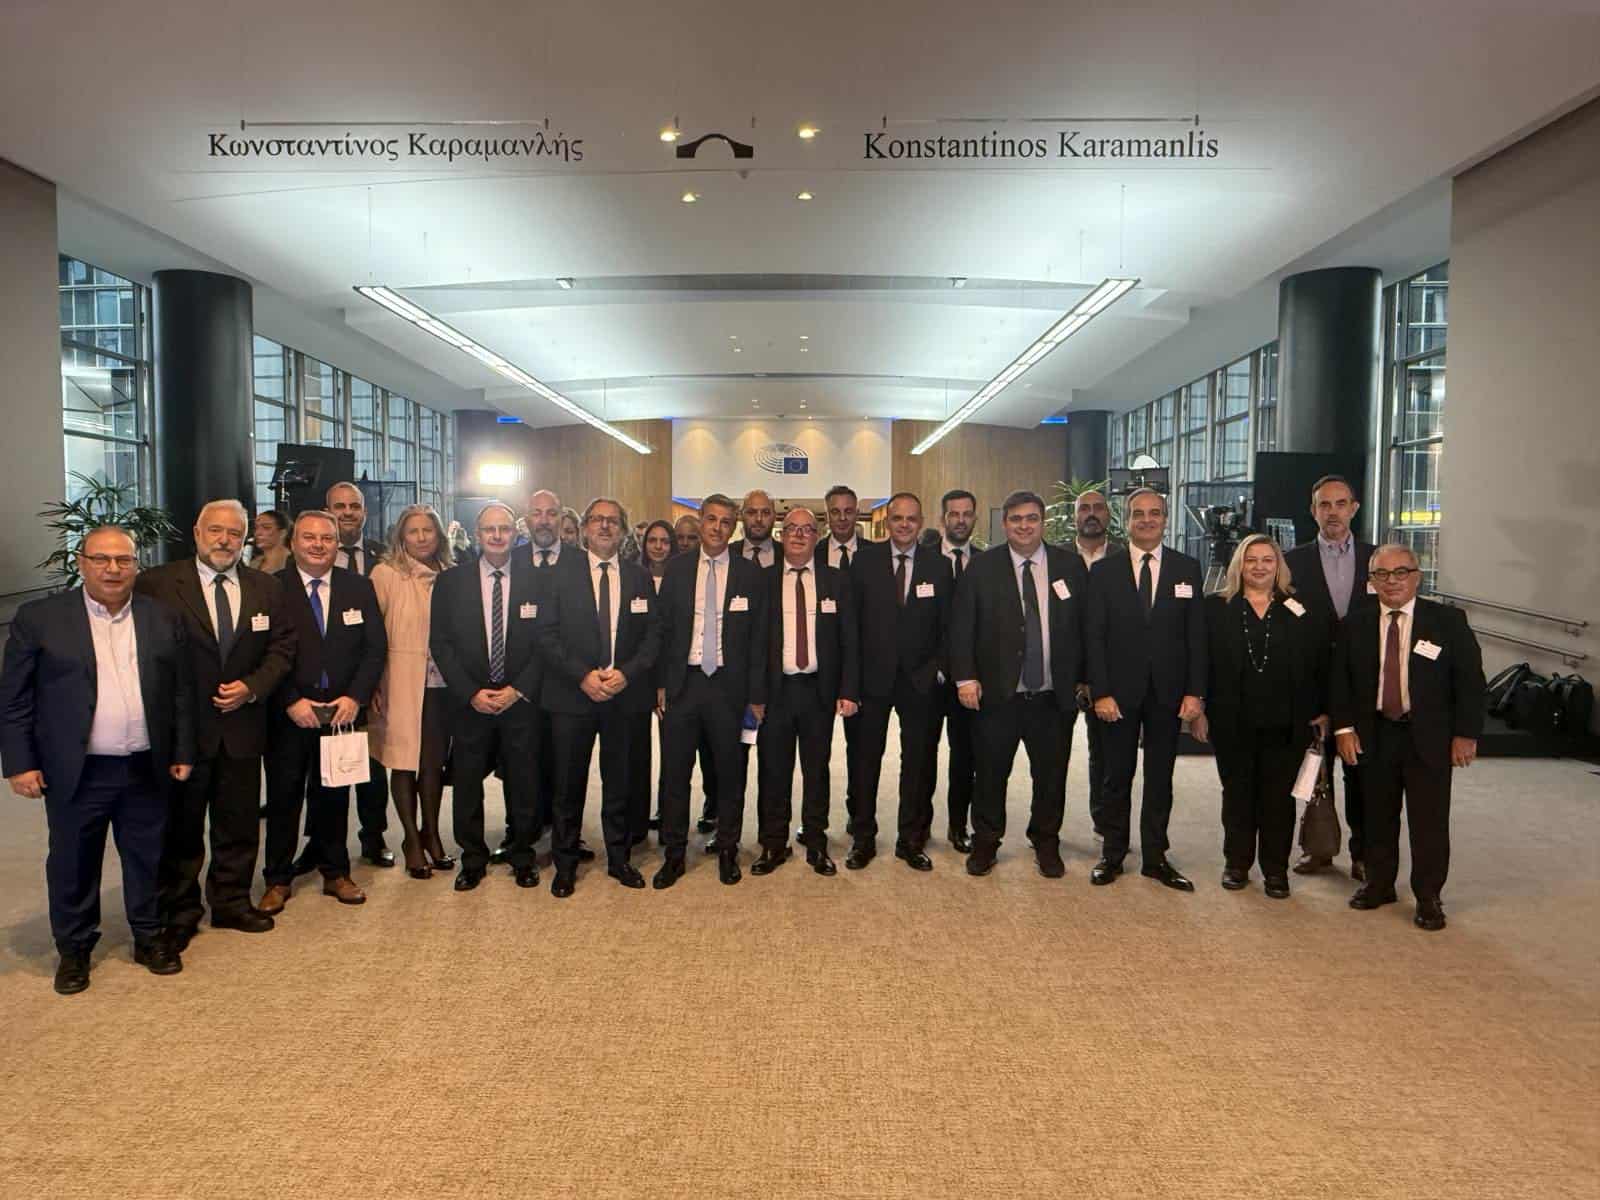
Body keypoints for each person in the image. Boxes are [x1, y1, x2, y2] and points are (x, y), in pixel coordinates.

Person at [1, 526, 196, 994]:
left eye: (123, 560)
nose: (113, 569)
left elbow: (181, 692)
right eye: (102, 559)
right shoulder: (40, 618)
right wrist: (19, 762)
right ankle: (74, 949)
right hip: (77, 769)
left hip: (145, 765)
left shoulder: (161, 617)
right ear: (82, 563)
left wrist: (183, 750)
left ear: (136, 565)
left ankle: (149, 937)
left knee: (148, 858)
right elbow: (14, 698)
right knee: (73, 861)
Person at [134, 499, 296, 949]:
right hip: (184, 731)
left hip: (243, 725)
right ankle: (179, 910)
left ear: (246, 538)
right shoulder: (157, 584)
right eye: (215, 531)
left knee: (239, 823)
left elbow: (282, 647)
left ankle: (231, 901)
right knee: (181, 827)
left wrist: (253, 686)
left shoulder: (266, 587)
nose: (225, 540)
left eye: (234, 533)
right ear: (197, 533)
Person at [1331, 544, 1483, 931]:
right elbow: (1340, 682)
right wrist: (1344, 729)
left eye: (1401, 572)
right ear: (1371, 581)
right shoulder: (1355, 624)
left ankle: (1428, 895)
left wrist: (1465, 734)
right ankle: (1379, 884)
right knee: (1376, 815)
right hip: (1375, 734)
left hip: (1428, 736)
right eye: (1382, 574)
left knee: (1428, 820)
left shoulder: (1447, 621)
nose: (1392, 581)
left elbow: (1470, 682)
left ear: (1417, 577)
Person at [950, 490, 1086, 877]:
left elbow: (1086, 627)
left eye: (1031, 519)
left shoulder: (1070, 565)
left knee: (1051, 777)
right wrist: (965, 677)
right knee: (991, 775)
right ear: (1004, 524)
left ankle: (1046, 842)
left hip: (1052, 697)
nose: (1024, 526)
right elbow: (962, 626)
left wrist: (1086, 679)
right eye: (1016, 519)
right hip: (998, 695)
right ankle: (986, 842)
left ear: (1043, 522)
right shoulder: (982, 567)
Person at [260, 511, 387, 912]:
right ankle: (277, 879)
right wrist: (290, 700)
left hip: (341, 713)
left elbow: (375, 648)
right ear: (293, 542)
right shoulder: (272, 587)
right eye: (309, 537)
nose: (318, 545)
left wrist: (355, 698)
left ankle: (336, 872)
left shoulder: (358, 587)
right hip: (291, 713)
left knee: (334, 795)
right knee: (284, 798)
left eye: (326, 538)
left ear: (337, 543)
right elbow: (264, 652)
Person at [1191, 535, 1329, 899]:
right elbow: (1200, 661)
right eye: (1251, 559)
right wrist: (1198, 709)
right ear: (1239, 564)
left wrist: (1321, 709)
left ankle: (1276, 871)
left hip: (1287, 721)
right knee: (1237, 795)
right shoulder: (1215, 607)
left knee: (1278, 799)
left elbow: (1319, 662)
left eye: (1268, 559)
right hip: (1231, 719)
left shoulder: (1300, 608)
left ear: (1279, 565)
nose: (1259, 566)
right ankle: (1236, 864)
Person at [536, 498, 661, 895]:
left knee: (620, 781)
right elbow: (545, 634)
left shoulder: (639, 577)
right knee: (567, 784)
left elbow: (654, 636)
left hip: (624, 696)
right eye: (597, 520)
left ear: (623, 531)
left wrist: (627, 673)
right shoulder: (559, 574)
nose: (605, 527)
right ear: (585, 528)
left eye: (613, 521)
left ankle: (619, 858)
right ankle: (565, 863)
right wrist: (582, 676)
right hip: (572, 695)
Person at [1086, 488, 1206, 891]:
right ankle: (1112, 854)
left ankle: (1155, 857)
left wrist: (1195, 692)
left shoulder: (1187, 568)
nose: (1147, 520)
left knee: (1160, 778)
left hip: (1168, 694)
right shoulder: (1105, 571)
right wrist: (1101, 691)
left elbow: (1196, 636)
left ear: (1166, 520)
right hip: (1118, 694)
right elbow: (1094, 636)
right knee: (1115, 776)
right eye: (1138, 513)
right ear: (1127, 521)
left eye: (1155, 513)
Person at [654, 493, 769, 888]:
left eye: (726, 522)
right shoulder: (677, 569)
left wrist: (756, 696)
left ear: (734, 527)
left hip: (728, 688)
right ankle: (674, 854)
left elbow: (759, 641)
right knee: (675, 774)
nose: (718, 528)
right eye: (712, 520)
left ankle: (727, 849)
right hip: (683, 685)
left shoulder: (750, 574)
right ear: (700, 521)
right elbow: (662, 630)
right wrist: (660, 683)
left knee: (730, 772)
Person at [429, 503, 545, 892]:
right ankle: (473, 859)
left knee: (523, 781)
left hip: (519, 701)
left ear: (516, 534)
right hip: (470, 702)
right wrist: (470, 693)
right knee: (466, 783)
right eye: (489, 529)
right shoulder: (451, 582)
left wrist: (519, 689)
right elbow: (441, 643)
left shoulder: (535, 580)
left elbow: (546, 642)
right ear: (477, 535)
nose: (497, 536)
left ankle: (522, 855)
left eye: (504, 529)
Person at [751, 508, 859, 877]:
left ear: (817, 536)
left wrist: (848, 689)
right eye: (792, 529)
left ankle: (816, 842)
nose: (799, 535)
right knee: (773, 770)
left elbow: (849, 640)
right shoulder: (763, 580)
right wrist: (754, 695)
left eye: (807, 529)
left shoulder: (835, 580)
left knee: (817, 771)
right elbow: (753, 643)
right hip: (775, 693)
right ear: (781, 536)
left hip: (818, 692)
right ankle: (773, 843)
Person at [849, 491, 951, 871]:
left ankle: (910, 840)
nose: (904, 525)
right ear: (886, 522)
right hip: (872, 679)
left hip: (920, 681)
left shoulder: (939, 566)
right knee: (865, 761)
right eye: (897, 518)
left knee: (918, 763)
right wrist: (851, 680)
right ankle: (863, 838)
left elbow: (948, 624)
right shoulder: (864, 561)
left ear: (920, 523)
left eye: (911, 518)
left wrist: (938, 667)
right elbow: (851, 624)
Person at [1284, 474, 1377, 880]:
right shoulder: (1293, 561)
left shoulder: (1377, 559)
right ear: (1313, 511)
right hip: (1312, 683)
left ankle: (1364, 853)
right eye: (1324, 504)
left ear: (1354, 508)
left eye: (1341, 504)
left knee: (1363, 774)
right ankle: (1318, 848)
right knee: (1314, 770)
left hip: (1363, 687)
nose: (1333, 512)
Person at [368, 504, 456, 879]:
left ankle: (431, 832)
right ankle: (410, 839)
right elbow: (371, 634)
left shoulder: (451, 574)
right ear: (401, 536)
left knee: (433, 763)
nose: (421, 538)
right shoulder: (385, 574)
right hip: (399, 680)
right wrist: (372, 683)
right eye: (413, 531)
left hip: (441, 685)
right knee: (403, 760)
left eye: (428, 530)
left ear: (439, 535)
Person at [321, 480, 392, 868]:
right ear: (328, 510)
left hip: (368, 680)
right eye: (340, 506)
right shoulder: (312, 556)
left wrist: (373, 684)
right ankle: (319, 843)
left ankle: (373, 836)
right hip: (322, 685)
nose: (347, 512)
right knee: (322, 770)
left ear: (364, 512)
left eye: (354, 506)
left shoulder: (384, 556)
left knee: (372, 768)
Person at [1068, 489, 1122, 842]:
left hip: (1108, 672)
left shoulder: (1124, 558)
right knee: (1050, 755)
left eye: (1098, 508)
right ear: (1075, 516)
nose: (1091, 513)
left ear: (1108, 514)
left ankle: (1105, 822)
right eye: (1084, 508)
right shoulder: (1056, 558)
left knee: (1105, 753)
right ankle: (1045, 829)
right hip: (1061, 671)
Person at [816, 483, 865, 843]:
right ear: (827, 514)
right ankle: (813, 821)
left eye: (849, 511)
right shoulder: (811, 551)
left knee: (860, 751)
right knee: (816, 753)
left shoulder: (875, 555)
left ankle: (857, 816)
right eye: (836, 511)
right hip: (816, 667)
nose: (843, 518)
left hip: (859, 667)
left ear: (857, 512)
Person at [936, 488, 980, 853]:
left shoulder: (986, 563)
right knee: (919, 757)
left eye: (967, 514)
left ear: (975, 519)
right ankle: (916, 828)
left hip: (970, 679)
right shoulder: (923, 559)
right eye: (954, 514)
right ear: (943, 519)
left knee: (965, 756)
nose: (960, 520)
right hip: (928, 679)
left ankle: (957, 825)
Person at [630, 519, 676, 843]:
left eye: (665, 541)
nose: (658, 546)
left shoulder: (681, 577)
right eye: (653, 540)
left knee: (671, 749)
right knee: (637, 751)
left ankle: (666, 813)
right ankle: (636, 817)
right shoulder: (633, 576)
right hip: (635, 675)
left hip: (668, 676)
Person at [729, 489, 779, 568]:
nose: (759, 519)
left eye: (765, 512)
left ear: (774, 516)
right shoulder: (728, 552)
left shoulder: (787, 554)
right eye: (751, 512)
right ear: (741, 516)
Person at [251, 509, 291, 575]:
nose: (258, 533)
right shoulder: (253, 564)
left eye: (266, 527)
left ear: (282, 533)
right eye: (256, 528)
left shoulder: (294, 563)